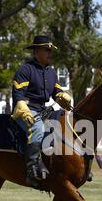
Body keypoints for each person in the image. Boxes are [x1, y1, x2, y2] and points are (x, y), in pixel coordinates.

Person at [11, 35, 72, 186]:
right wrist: (22, 106)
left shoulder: (51, 72)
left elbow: (56, 92)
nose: (50, 53)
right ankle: (32, 168)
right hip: (25, 109)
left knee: (65, 123)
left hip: (43, 109)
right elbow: (18, 93)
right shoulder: (26, 69)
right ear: (37, 51)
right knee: (37, 128)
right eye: (46, 50)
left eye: (51, 50)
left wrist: (62, 95)